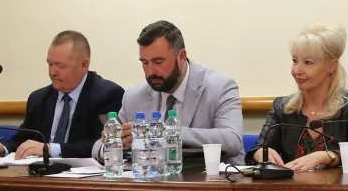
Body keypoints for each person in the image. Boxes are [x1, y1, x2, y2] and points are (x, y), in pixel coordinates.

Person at [92, 20, 244, 164]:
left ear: (182, 57)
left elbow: (232, 140)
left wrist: (161, 132)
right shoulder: (134, 96)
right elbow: (99, 146)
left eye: (158, 62)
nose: (150, 72)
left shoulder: (219, 87)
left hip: (208, 179)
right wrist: (112, 143)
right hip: (151, 180)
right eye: (145, 63)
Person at [246, 23, 348, 171]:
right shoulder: (282, 107)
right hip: (292, 185)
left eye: (308, 62)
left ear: (331, 66)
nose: (296, 70)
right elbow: (258, 149)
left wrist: (326, 156)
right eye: (295, 61)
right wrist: (259, 154)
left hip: (338, 185)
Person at [0, 31, 124, 160]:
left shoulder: (108, 95)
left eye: (60, 66)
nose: (52, 72)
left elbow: (104, 144)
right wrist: (3, 149)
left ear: (84, 65)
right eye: (50, 64)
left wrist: (51, 149)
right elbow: (23, 140)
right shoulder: (38, 99)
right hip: (41, 175)